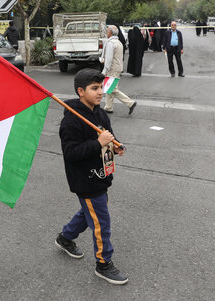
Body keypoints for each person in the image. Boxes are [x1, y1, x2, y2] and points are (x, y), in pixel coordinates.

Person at [55, 68, 128, 285]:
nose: (100, 92)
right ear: (80, 91)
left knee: (91, 213)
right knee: (101, 221)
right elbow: (71, 153)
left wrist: (116, 146)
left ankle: (65, 238)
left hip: (101, 175)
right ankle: (103, 263)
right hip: (85, 179)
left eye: (101, 87)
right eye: (94, 88)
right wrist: (98, 143)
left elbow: (109, 136)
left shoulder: (100, 112)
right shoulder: (71, 121)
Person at [100, 25, 136, 115]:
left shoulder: (110, 43)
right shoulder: (118, 42)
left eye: (107, 30)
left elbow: (108, 59)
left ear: (111, 32)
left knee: (112, 89)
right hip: (118, 67)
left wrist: (104, 71)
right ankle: (108, 107)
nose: (106, 32)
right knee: (110, 88)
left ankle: (130, 103)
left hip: (112, 68)